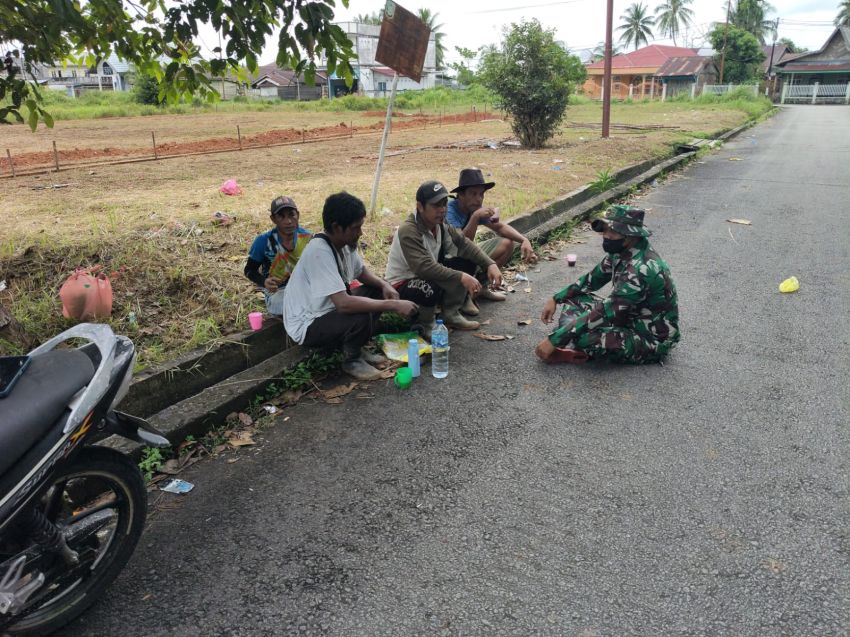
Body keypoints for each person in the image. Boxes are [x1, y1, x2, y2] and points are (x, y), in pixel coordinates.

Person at [283, 192, 418, 380]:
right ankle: (351, 359)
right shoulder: (319, 251)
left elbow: (361, 271)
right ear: (337, 227)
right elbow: (344, 304)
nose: (360, 233)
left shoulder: (345, 243)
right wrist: (393, 305)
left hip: (327, 311)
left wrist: (384, 285)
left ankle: (356, 348)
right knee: (359, 313)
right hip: (307, 324)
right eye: (356, 228)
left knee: (376, 290)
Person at [535, 205, 680, 365]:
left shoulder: (641, 269)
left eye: (613, 232)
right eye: (604, 230)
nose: (606, 236)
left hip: (649, 336)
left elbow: (606, 310)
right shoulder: (622, 251)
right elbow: (591, 280)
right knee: (573, 299)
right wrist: (556, 299)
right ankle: (573, 334)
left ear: (631, 235)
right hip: (626, 317)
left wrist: (555, 339)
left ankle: (575, 347)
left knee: (586, 339)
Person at [385, 180, 503, 338]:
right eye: (436, 205)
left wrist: (490, 264)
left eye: (444, 204)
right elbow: (424, 267)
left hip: (426, 273)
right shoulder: (409, 230)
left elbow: (463, 244)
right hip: (402, 283)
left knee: (465, 262)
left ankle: (451, 313)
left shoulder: (440, 223)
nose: (442, 210)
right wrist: (461, 277)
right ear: (420, 207)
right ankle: (426, 323)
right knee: (430, 286)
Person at [446, 167, 537, 307]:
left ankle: (481, 288)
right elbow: (462, 244)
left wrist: (524, 240)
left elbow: (500, 227)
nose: (478, 199)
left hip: (467, 255)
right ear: (461, 195)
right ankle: (463, 295)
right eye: (473, 193)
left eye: (481, 194)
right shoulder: (450, 210)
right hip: (450, 260)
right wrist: (475, 217)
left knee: (507, 244)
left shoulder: (474, 208)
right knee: (467, 257)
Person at [244, 195, 312, 316]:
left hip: (305, 288)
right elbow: (249, 270)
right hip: (279, 292)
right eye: (281, 216)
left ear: (298, 215)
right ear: (273, 219)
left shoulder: (307, 238)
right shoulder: (263, 241)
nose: (288, 221)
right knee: (285, 304)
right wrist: (264, 281)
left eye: (292, 214)